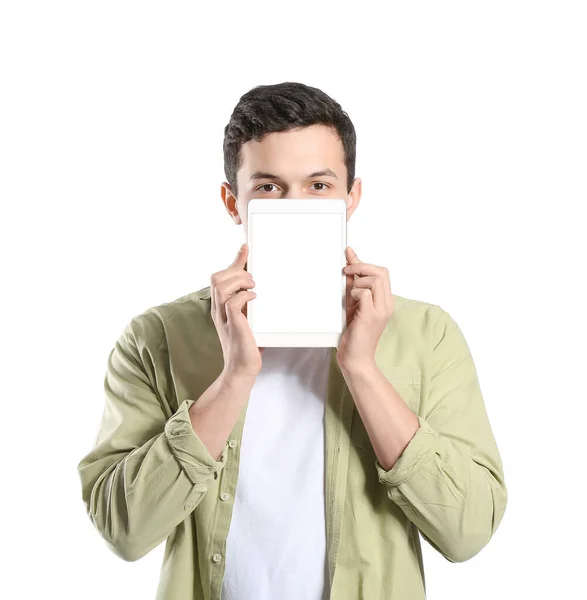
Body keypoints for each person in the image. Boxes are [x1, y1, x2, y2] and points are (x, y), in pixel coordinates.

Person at [77, 81, 508, 600]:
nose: (295, 206)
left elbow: (468, 532)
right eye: (269, 187)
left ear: (352, 198)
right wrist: (235, 376)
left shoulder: (428, 335)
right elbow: (123, 532)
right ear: (232, 201)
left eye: (319, 186)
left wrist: (364, 370)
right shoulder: (156, 338)